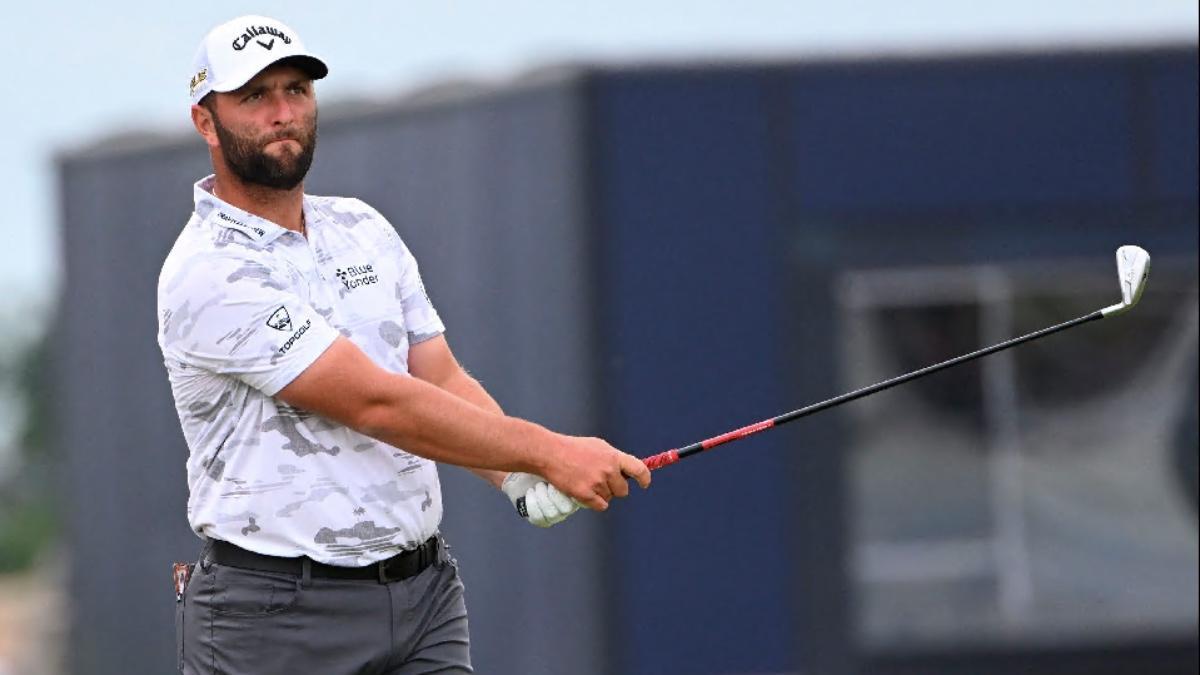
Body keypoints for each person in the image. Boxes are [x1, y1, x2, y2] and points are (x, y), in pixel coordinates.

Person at [158, 15, 650, 675]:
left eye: (297, 90)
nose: (283, 112)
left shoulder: (364, 228)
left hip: (423, 597)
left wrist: (515, 475)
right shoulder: (208, 270)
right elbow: (375, 403)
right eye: (255, 96)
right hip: (272, 618)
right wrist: (553, 452)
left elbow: (437, 375)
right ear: (205, 121)